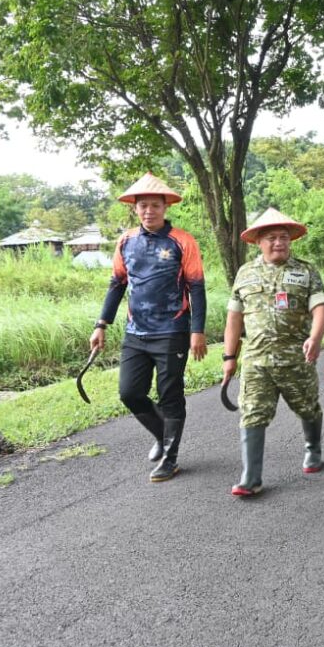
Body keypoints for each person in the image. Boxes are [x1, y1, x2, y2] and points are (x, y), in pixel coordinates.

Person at [90, 172, 207, 483]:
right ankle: (163, 436)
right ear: (135, 208)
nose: (148, 211)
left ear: (165, 207)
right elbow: (117, 283)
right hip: (135, 332)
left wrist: (197, 330)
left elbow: (196, 287)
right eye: (143, 206)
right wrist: (101, 324)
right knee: (130, 392)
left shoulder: (183, 241)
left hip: (172, 330)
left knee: (170, 394)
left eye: (155, 205)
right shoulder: (126, 241)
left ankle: (170, 457)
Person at [224, 208, 324, 497]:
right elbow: (234, 317)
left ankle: (313, 448)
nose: (279, 242)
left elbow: (320, 308)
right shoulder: (245, 273)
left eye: (283, 237)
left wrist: (316, 337)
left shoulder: (305, 271)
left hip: (297, 358)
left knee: (308, 407)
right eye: (271, 237)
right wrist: (229, 357)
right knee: (252, 414)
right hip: (257, 361)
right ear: (259, 241)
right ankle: (251, 477)